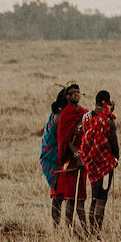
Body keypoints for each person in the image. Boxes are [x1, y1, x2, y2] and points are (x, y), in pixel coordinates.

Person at [76, 90, 120, 237]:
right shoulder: (108, 120)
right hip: (105, 165)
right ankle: (96, 232)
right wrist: (116, 158)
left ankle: (92, 231)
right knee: (102, 199)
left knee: (94, 197)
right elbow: (114, 143)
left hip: (90, 164)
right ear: (105, 103)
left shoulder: (86, 117)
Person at [50, 84, 85, 231]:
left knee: (73, 195)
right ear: (66, 97)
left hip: (75, 157)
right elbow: (64, 138)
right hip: (60, 157)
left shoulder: (80, 111)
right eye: (73, 93)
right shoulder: (62, 115)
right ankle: (58, 228)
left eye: (78, 92)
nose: (77, 94)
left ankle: (73, 229)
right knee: (60, 195)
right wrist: (76, 155)